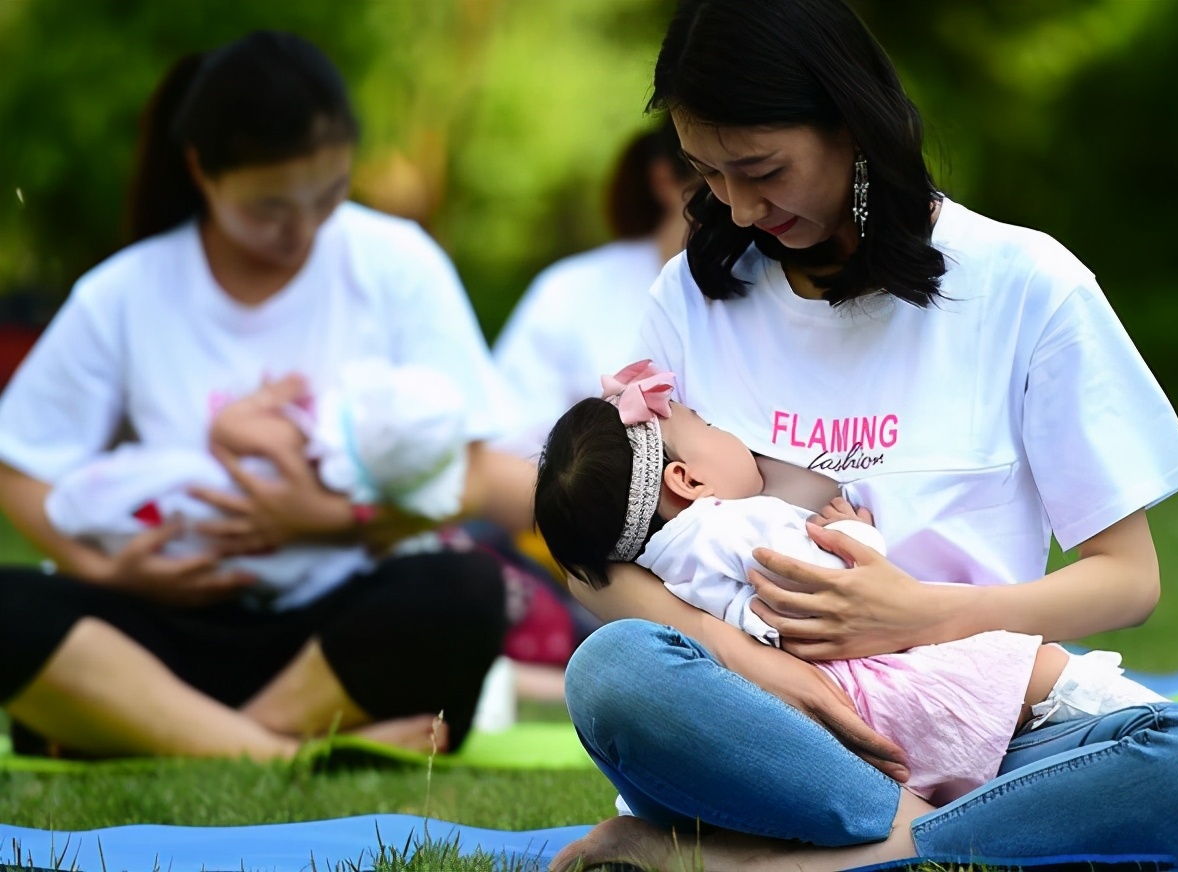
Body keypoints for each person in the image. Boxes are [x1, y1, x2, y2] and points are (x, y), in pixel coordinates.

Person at [546, 2, 1178, 870]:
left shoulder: (1027, 285)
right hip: (773, 738)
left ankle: (769, 859)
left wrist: (923, 615)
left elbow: (1128, 580)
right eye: (709, 175)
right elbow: (598, 556)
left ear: (852, 124)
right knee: (612, 671)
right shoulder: (691, 299)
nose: (737, 208)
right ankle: (959, 841)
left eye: (762, 170)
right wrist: (769, 671)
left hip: (992, 733)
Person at [0, 31, 532, 761]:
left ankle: (150, 731)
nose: (302, 229)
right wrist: (107, 570)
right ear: (202, 172)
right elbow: (19, 467)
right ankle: (273, 751)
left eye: (330, 195)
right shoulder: (124, 291)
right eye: (270, 208)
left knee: (464, 589)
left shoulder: (397, 263)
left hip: (334, 630)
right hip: (170, 620)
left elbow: (468, 475)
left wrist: (333, 522)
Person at [534, 363, 1178, 805]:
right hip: (868, 684)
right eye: (710, 427)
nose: (734, 437)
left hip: (810, 711)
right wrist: (858, 535)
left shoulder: (671, 557)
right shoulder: (732, 525)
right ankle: (1170, 724)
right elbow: (827, 580)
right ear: (686, 480)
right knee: (1036, 665)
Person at [44, 363, 471, 609]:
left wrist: (269, 398)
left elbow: (225, 428)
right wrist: (350, 519)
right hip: (235, 573)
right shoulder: (353, 528)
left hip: (169, 504)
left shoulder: (289, 440)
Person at [491, 116, 695, 461]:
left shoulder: (780, 293)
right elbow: (508, 446)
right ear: (665, 180)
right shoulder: (569, 292)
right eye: (714, 174)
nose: (743, 202)